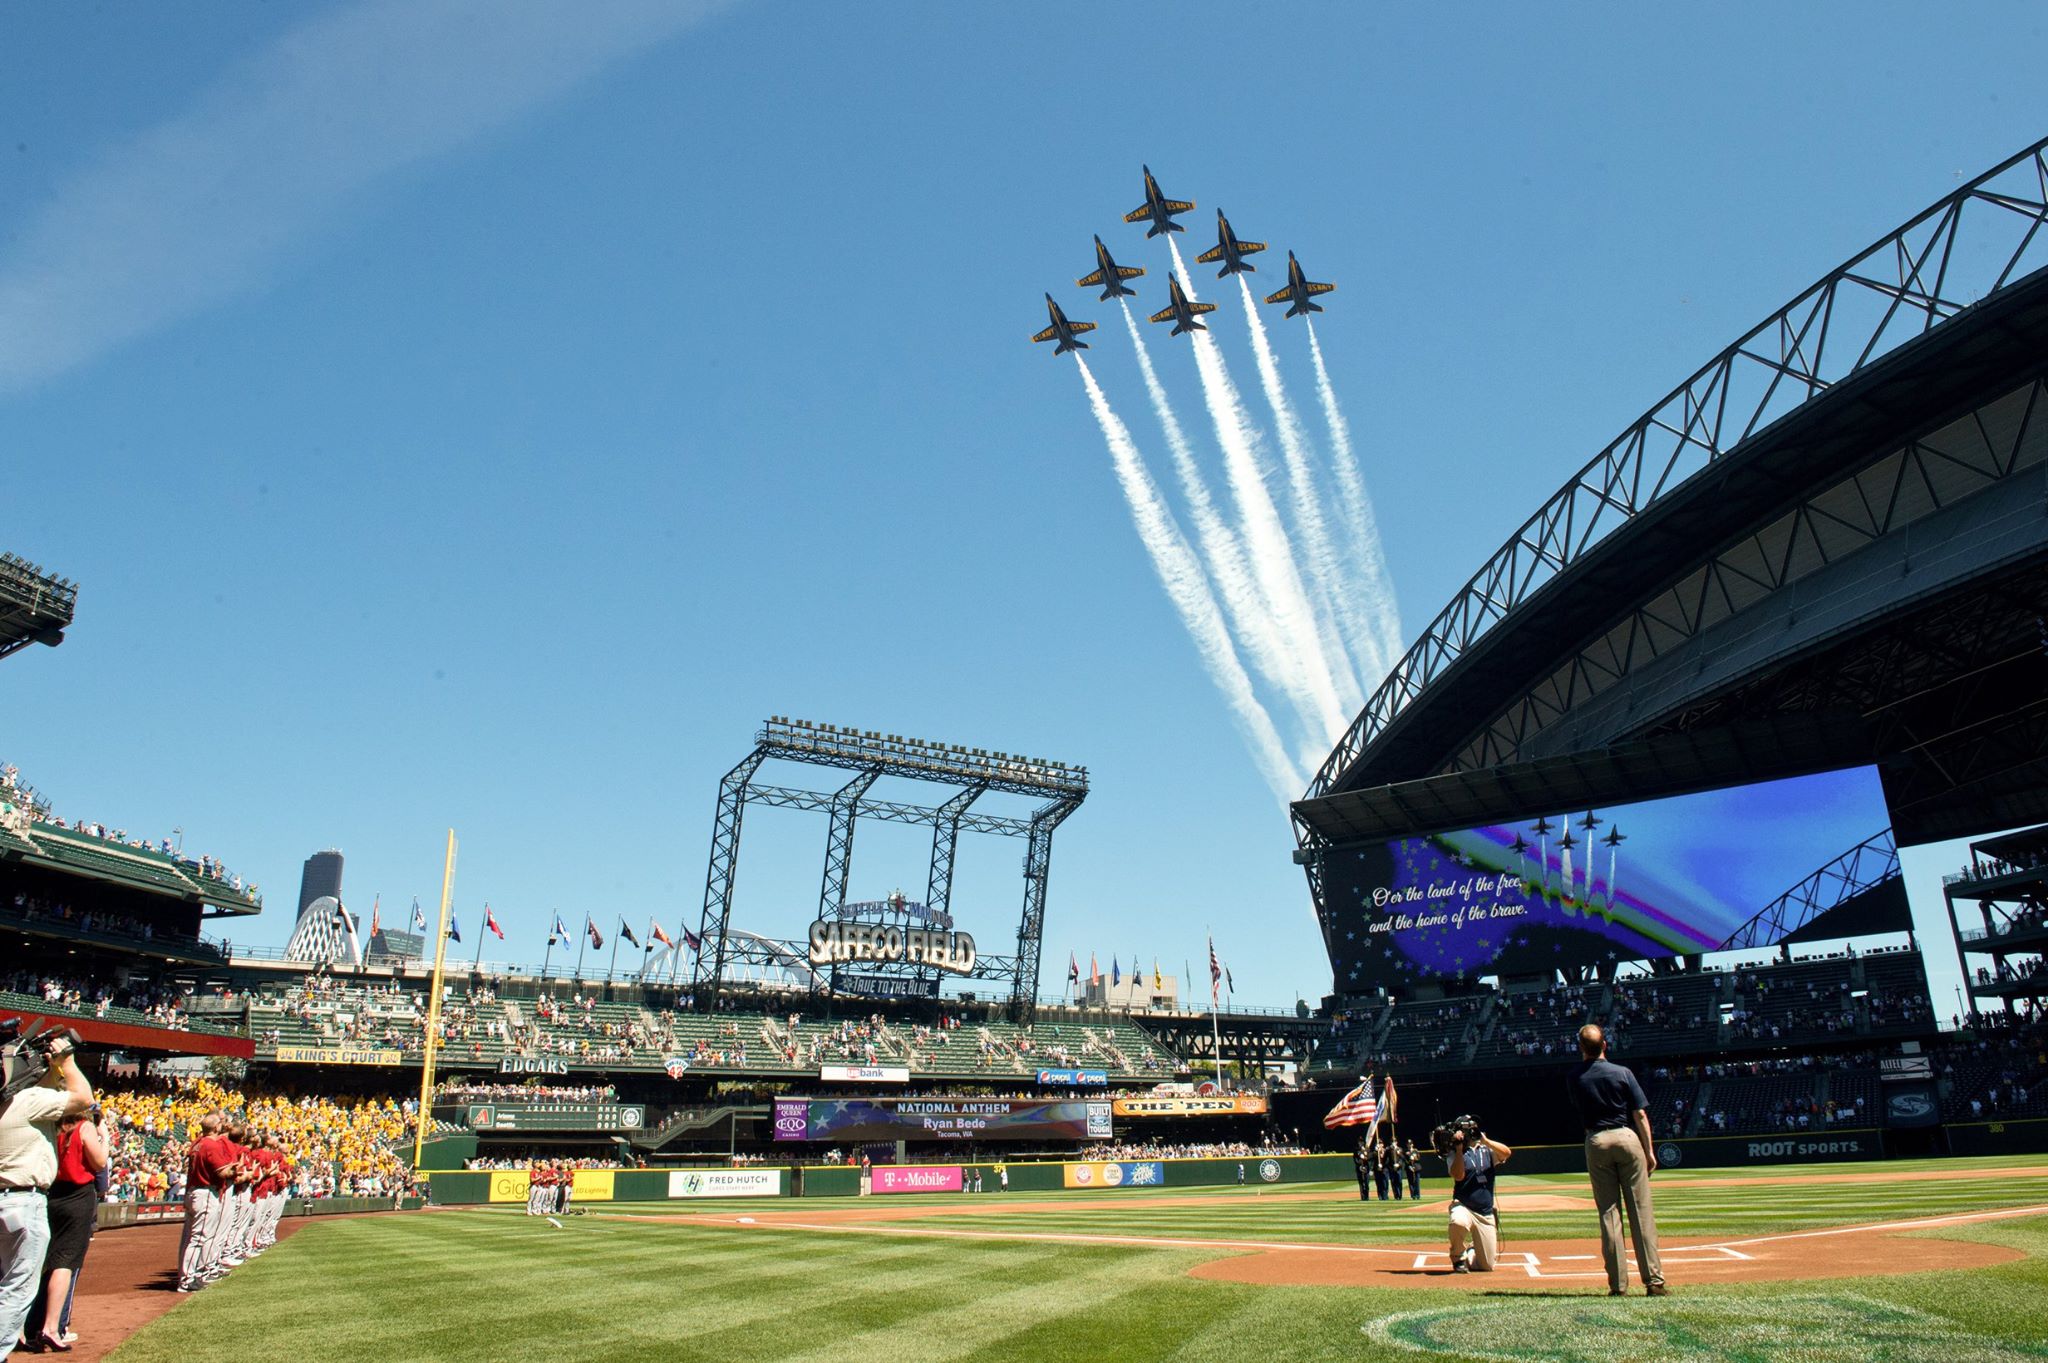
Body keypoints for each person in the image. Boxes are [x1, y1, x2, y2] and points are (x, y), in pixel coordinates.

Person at [0, 1031, 94, 1360]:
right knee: (17, 1287)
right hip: (23, 1201)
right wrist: (65, 1061)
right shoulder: (24, 1101)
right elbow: (84, 1099)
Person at [1567, 1023, 1666, 1296]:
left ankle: (1618, 1286)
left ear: (1581, 1048)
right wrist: (1649, 1151)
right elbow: (1640, 1115)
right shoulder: (1623, 1072)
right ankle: (1654, 1281)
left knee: (1609, 1214)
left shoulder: (1575, 1077)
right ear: (1605, 1045)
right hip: (1625, 1136)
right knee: (1640, 1212)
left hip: (1596, 1140)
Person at [27, 1106, 108, 1351]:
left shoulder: (54, 1127)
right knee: (65, 1262)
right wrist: (103, 1135)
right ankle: (51, 1328)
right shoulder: (84, 1127)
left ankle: (28, 1327)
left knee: (43, 1261)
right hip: (77, 1196)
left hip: (53, 1195)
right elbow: (100, 1162)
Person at [175, 1113, 233, 1293]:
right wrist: (235, 1169)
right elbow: (222, 1173)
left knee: (191, 1237)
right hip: (205, 1191)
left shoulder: (198, 1143)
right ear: (216, 1127)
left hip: (194, 1190)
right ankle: (187, 1280)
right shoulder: (211, 1144)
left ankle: (187, 1276)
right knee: (199, 1237)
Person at [1447, 1125, 1511, 1273]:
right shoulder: (1454, 1153)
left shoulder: (1487, 1151)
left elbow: (1506, 1153)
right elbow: (1458, 1176)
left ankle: (1471, 1251)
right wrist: (1458, 1150)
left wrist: (1484, 1140)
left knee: (1487, 1266)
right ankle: (1458, 1258)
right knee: (1458, 1221)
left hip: (1485, 1212)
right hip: (1464, 1205)